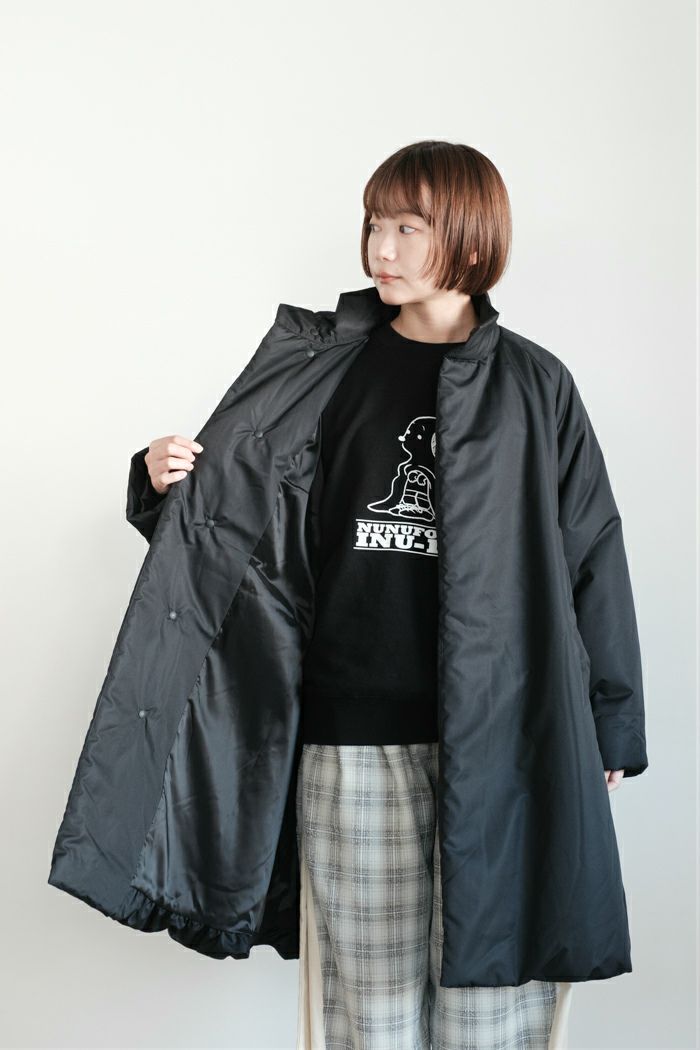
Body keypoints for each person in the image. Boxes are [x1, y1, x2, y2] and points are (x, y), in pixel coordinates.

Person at [121, 140, 640, 1049]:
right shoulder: (322, 367)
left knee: (494, 1008)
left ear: (470, 239)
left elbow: (592, 548)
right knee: (372, 1017)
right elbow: (241, 513)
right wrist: (161, 481)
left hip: (509, 737)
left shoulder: (535, 385)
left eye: (407, 227)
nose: (380, 249)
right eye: (373, 224)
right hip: (350, 742)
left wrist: (613, 722)